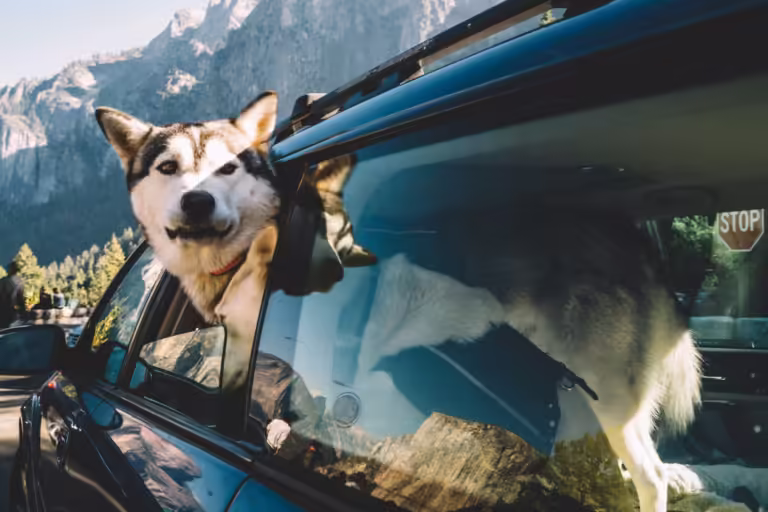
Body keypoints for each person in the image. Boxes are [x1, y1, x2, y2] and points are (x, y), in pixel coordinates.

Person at [0, 262, 26, 329]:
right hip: (12, 313)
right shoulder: (19, 281)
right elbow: (21, 300)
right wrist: (23, 313)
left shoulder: (3, 281)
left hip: (3, 311)